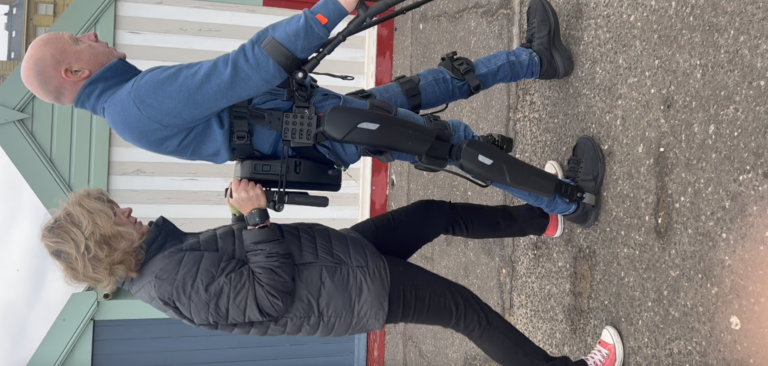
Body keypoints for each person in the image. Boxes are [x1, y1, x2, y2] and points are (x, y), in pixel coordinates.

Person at [21, 0, 605, 227]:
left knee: (422, 87)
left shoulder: (129, 103)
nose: (91, 37)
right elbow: (242, 70)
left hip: (317, 120)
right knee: (448, 144)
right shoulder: (136, 102)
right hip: (324, 130)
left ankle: (537, 59)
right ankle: (570, 201)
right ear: (72, 71)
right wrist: (326, 10)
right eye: (79, 40)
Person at [41, 179, 623, 366]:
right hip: (349, 291)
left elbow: (238, 263)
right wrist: (255, 219)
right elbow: (268, 296)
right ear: (105, 242)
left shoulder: (164, 257)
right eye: (113, 216)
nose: (125, 210)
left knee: (431, 214)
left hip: (337, 258)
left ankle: (544, 217)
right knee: (466, 311)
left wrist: (243, 218)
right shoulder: (168, 282)